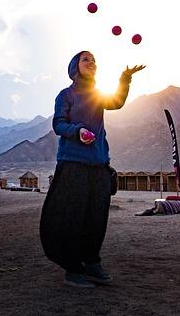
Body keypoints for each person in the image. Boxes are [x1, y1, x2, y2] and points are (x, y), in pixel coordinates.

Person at [40, 50, 145, 288]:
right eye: (85, 59)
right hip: (73, 163)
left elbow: (116, 102)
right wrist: (77, 131)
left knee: (97, 217)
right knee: (72, 216)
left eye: (94, 60)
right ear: (74, 67)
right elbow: (59, 124)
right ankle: (72, 268)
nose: (91, 63)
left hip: (99, 163)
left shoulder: (98, 95)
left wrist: (124, 79)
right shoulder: (66, 95)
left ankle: (92, 264)